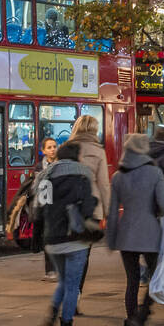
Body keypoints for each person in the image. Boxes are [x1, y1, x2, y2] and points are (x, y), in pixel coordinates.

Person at [106, 133, 164, 326]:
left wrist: (111, 239)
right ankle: (142, 316)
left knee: (132, 281)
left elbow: (113, 212)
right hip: (150, 233)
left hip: (126, 235)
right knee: (157, 277)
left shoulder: (118, 176)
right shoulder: (154, 172)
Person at [41, 137, 98, 326]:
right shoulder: (83, 174)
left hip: (52, 238)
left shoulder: (47, 174)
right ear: (77, 156)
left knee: (64, 281)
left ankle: (53, 311)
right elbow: (87, 208)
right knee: (73, 285)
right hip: (74, 238)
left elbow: (42, 205)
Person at [63, 114, 110, 305]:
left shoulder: (65, 149)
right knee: (83, 254)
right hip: (90, 209)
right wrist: (107, 212)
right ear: (94, 130)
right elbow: (104, 185)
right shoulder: (98, 151)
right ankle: (76, 294)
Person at [34, 137, 59, 280]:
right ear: (43, 151)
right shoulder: (39, 167)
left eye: (54, 146)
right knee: (48, 239)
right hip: (45, 207)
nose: (52, 150)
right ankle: (50, 270)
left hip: (59, 207)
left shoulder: (61, 165)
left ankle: (59, 268)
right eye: (49, 147)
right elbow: (39, 189)